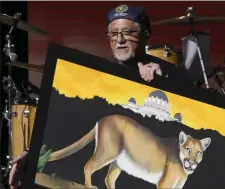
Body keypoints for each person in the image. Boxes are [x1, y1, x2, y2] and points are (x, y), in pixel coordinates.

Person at [8, 4, 192, 189]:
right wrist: (32, 156)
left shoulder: (169, 74)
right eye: (113, 33)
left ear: (145, 34)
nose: (119, 40)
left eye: (128, 32)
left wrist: (166, 82)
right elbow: (66, 126)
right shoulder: (98, 80)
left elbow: (190, 121)